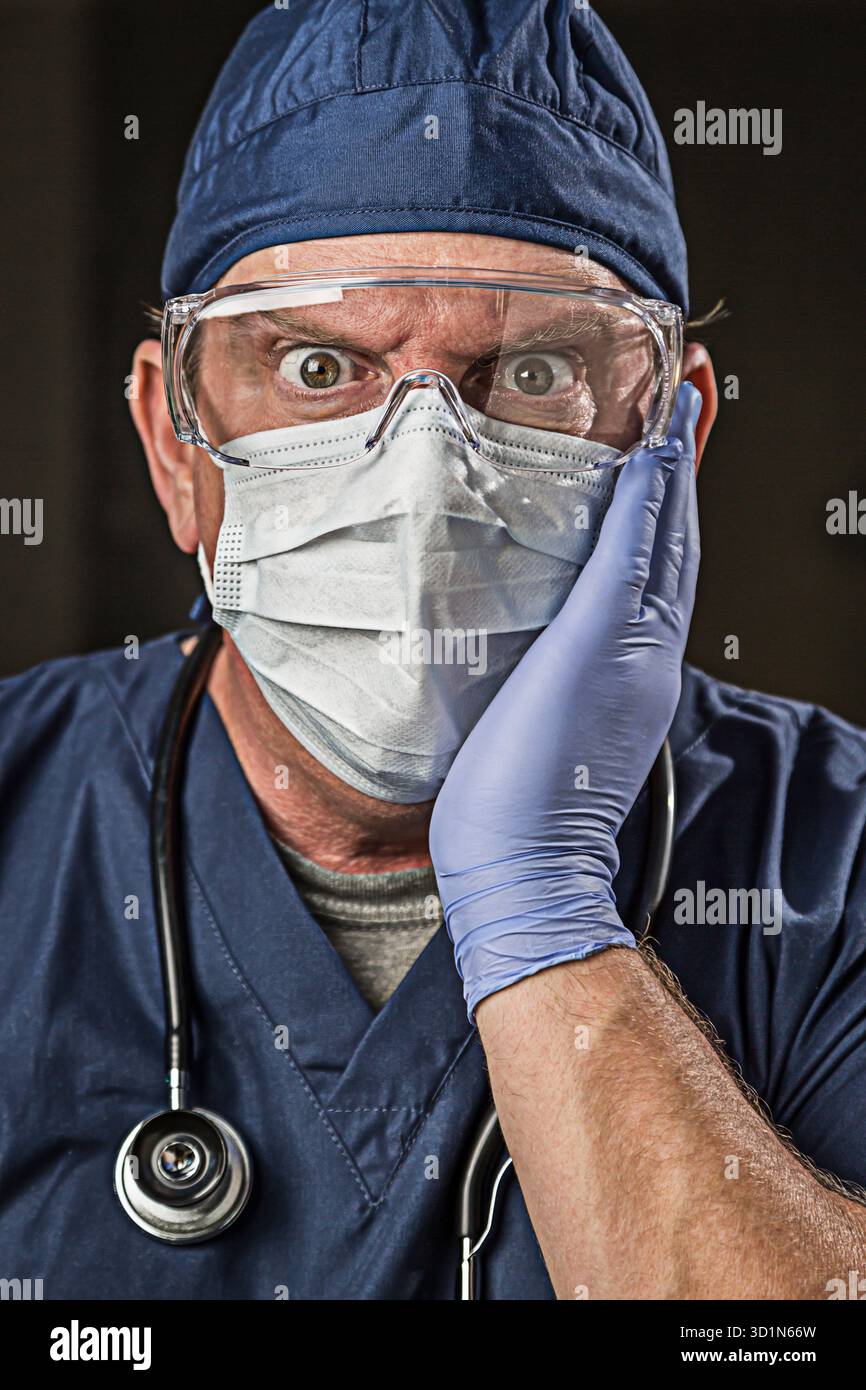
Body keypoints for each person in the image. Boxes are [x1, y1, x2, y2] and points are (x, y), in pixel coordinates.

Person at [1, 0, 865, 1301]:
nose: (419, 480)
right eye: (313, 366)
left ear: (670, 445)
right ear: (173, 443)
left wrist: (541, 909)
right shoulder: (22, 815)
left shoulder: (831, 858)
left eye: (524, 376)